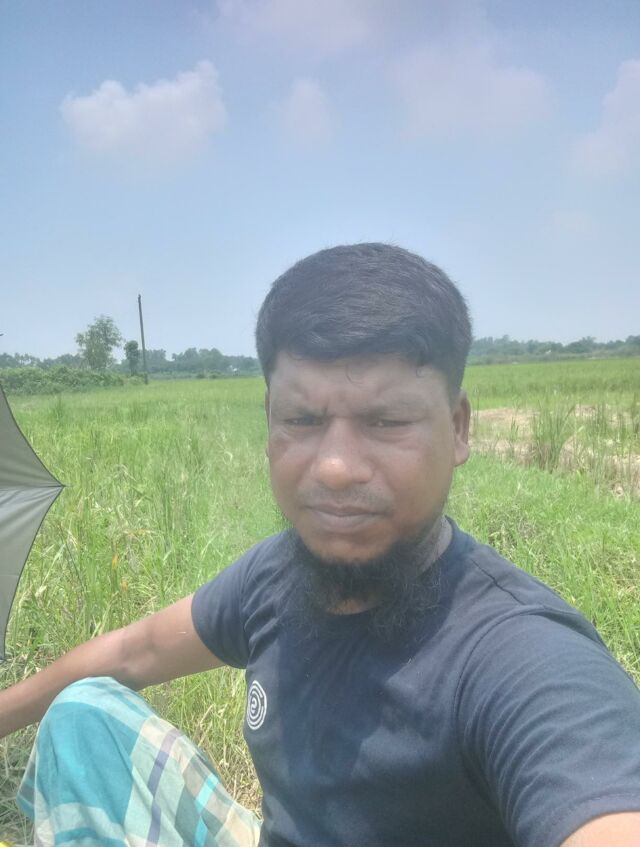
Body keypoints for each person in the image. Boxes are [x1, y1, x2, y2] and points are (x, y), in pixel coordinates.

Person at [1, 243, 640, 847]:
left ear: (458, 426)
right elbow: (133, 651)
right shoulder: (273, 575)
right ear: (269, 422)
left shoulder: (520, 658)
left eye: (385, 421)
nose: (335, 468)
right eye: (302, 420)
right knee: (82, 713)